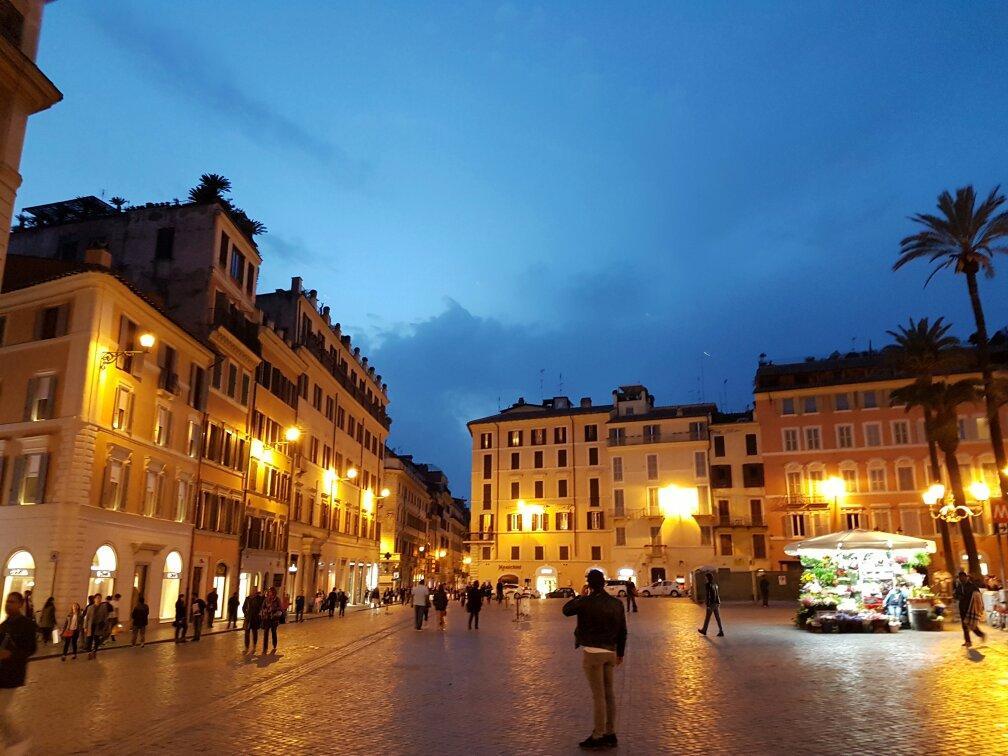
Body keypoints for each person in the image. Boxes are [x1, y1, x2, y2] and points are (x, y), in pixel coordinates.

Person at [562, 569, 627, 750]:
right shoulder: (616, 603)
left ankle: (597, 735)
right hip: (611, 652)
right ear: (604, 583)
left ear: (589, 584)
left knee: (598, 695)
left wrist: (579, 596)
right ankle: (611, 733)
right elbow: (623, 630)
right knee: (609, 693)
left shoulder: (585, 602)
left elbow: (566, 610)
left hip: (593, 653)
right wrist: (620, 653)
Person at [0, 592, 37, 754]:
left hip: (12, 674)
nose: (8, 604)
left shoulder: (26, 624)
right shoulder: (5, 624)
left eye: (12, 602)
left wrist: (11, 655)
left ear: (21, 604)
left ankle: (18, 739)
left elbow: (31, 649)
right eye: (7, 601)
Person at [954, 571, 987, 648]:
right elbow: (956, 595)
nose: (961, 579)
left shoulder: (972, 586)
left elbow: (978, 595)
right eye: (960, 577)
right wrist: (957, 596)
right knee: (964, 625)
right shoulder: (959, 586)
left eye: (963, 577)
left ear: (966, 577)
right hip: (962, 607)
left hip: (970, 608)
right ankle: (968, 641)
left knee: (971, 624)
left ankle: (981, 634)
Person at [697, 572, 724, 637]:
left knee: (707, 618)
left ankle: (704, 630)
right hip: (716, 603)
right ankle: (721, 631)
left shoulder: (708, 585)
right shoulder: (715, 584)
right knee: (718, 618)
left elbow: (708, 595)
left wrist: (708, 604)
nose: (705, 578)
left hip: (711, 603)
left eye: (706, 577)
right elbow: (717, 594)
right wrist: (718, 602)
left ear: (707, 578)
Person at [84, 594, 109, 659]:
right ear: (94, 599)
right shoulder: (90, 607)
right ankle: (89, 653)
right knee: (89, 639)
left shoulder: (104, 607)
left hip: (99, 626)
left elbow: (105, 617)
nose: (98, 599)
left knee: (97, 639)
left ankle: (94, 651)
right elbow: (87, 618)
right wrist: (85, 627)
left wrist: (105, 626)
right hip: (91, 625)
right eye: (97, 598)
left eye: (100, 598)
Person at [260, 587, 282, 654]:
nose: (270, 592)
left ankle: (274, 645)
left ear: (274, 592)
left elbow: (280, 607)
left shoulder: (277, 599)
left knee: (273, 632)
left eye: (271, 591)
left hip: (274, 618)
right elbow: (262, 607)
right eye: (269, 591)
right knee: (266, 633)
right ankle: (265, 648)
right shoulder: (266, 599)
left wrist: (273, 608)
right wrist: (265, 610)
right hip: (267, 618)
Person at [242, 587, 264, 654]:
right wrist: (246, 614)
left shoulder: (259, 599)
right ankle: (246, 648)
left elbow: (262, 606)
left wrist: (259, 614)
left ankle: (254, 647)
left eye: (254, 590)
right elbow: (244, 607)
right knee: (247, 633)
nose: (253, 591)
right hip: (248, 618)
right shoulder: (248, 598)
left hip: (255, 618)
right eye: (252, 590)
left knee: (254, 633)